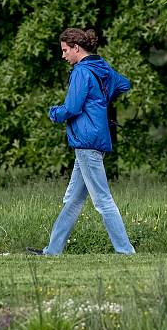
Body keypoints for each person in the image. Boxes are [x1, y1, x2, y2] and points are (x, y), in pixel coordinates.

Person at [27, 28, 136, 256]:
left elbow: (72, 108)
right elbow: (124, 83)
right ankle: (52, 251)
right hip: (94, 139)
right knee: (74, 200)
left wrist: (54, 113)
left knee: (102, 200)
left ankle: (126, 251)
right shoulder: (101, 67)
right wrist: (100, 100)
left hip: (86, 141)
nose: (63, 55)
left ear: (77, 48)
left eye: (65, 50)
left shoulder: (81, 72)